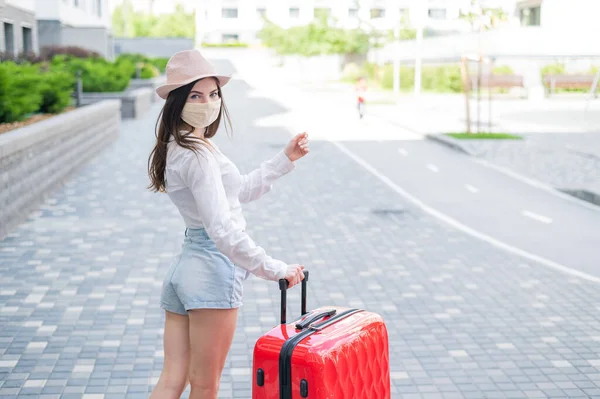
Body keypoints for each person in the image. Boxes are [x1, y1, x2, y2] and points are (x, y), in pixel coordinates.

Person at [146, 49, 309, 399]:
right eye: (195, 95)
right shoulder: (197, 155)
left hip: (186, 267)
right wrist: (274, 268)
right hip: (211, 269)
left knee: (172, 379)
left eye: (213, 94)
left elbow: (239, 191)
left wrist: (284, 160)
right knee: (205, 385)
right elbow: (222, 230)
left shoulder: (183, 145)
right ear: (177, 101)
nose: (208, 102)